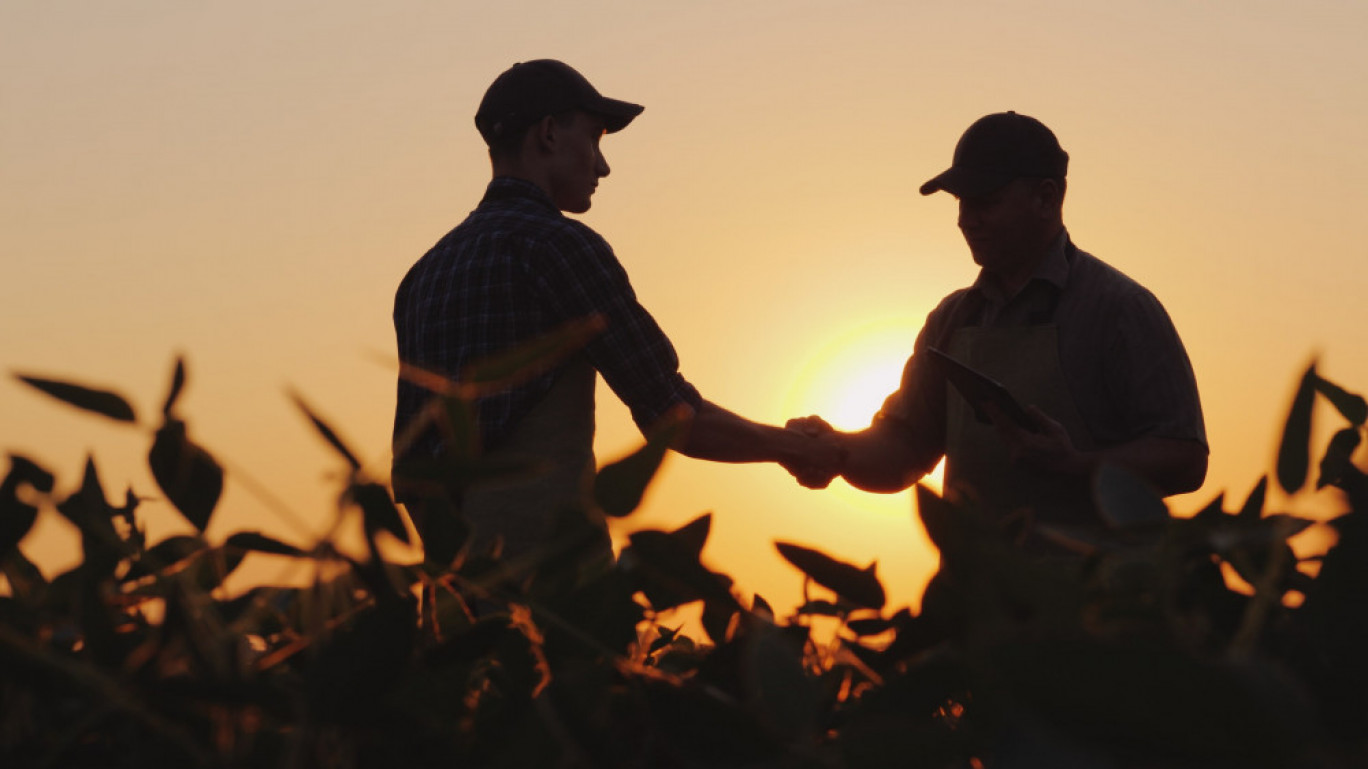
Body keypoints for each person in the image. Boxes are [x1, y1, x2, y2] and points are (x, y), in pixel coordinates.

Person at [392, 59, 836, 564]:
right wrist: (796, 449)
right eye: (596, 139)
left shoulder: (422, 277)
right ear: (549, 134)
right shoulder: (560, 248)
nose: (603, 166)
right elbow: (673, 415)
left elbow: (410, 474)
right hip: (555, 598)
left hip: (454, 610)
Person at [787, 111, 1207, 536]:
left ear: (1046, 198)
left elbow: (1186, 460)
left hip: (1097, 596)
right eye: (961, 203)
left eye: (984, 201)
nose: (965, 220)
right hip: (977, 598)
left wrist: (1078, 465)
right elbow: (903, 452)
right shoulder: (950, 321)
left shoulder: (1122, 310)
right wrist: (835, 450)